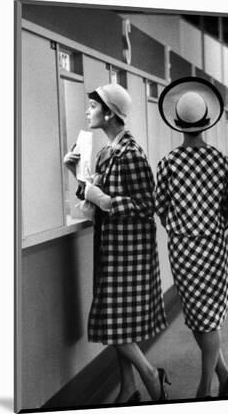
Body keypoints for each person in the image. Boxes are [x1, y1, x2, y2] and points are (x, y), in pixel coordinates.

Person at [63, 83, 169, 404]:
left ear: (109, 113)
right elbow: (95, 196)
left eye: (93, 107)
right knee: (119, 323)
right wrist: (76, 176)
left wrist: (107, 201)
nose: (87, 111)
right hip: (112, 249)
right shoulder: (107, 151)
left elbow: (146, 204)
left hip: (129, 254)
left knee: (113, 323)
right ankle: (128, 388)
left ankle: (150, 374)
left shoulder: (131, 154)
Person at [155, 77, 228, 398]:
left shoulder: (168, 163)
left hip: (183, 248)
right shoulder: (219, 160)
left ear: (178, 124)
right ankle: (221, 377)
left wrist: (180, 226)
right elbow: (227, 208)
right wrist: (212, 225)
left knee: (198, 317)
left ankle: (206, 387)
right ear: (206, 122)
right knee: (209, 317)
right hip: (213, 245)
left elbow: (161, 208)